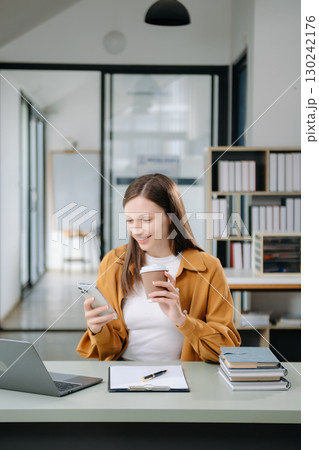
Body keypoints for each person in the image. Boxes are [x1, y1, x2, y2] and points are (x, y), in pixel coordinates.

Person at [77, 173, 241, 362]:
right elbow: (109, 351)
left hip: (186, 379)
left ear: (171, 217)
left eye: (146, 220)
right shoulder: (114, 262)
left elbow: (225, 349)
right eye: (130, 221)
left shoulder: (208, 268)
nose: (136, 229)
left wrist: (182, 320)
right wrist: (97, 329)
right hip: (125, 375)